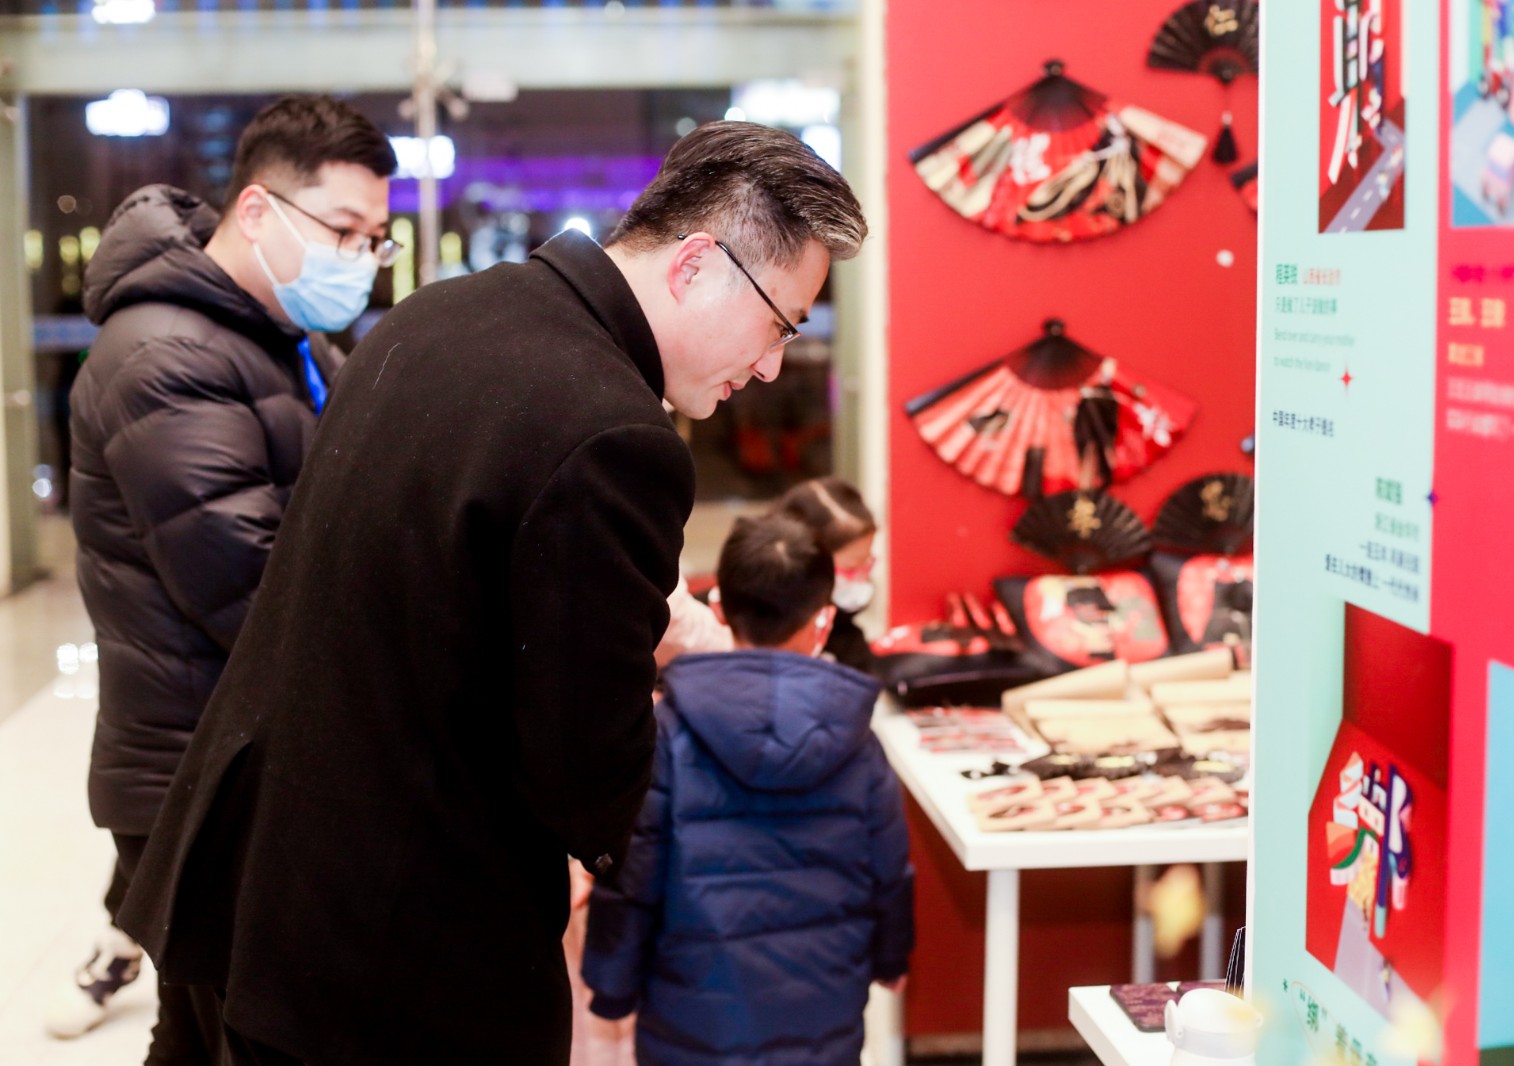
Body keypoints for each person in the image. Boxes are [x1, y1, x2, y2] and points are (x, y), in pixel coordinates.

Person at [117, 120, 867, 1065]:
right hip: (396, 949)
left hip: (250, 875)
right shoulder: (614, 434)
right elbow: (581, 772)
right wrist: (665, 651)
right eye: (779, 323)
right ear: (696, 266)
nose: (770, 365)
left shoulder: (438, 314)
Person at [57, 96, 395, 1058]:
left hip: (243, 752)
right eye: (343, 230)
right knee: (235, 1030)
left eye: (374, 240)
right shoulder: (167, 354)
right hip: (199, 769)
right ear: (257, 210)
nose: (360, 258)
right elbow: (250, 585)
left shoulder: (282, 337)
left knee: (199, 1034)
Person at [581, 513, 914, 1065]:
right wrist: (891, 957)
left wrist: (612, 985)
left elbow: (635, 875)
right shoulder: (859, 742)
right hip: (822, 1017)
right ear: (824, 619)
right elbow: (889, 871)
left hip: (691, 1023)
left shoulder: (668, 734)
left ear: (718, 608)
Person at [773, 476, 879, 672]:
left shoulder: (846, 640)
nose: (862, 578)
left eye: (867, 563)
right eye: (851, 568)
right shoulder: (751, 630)